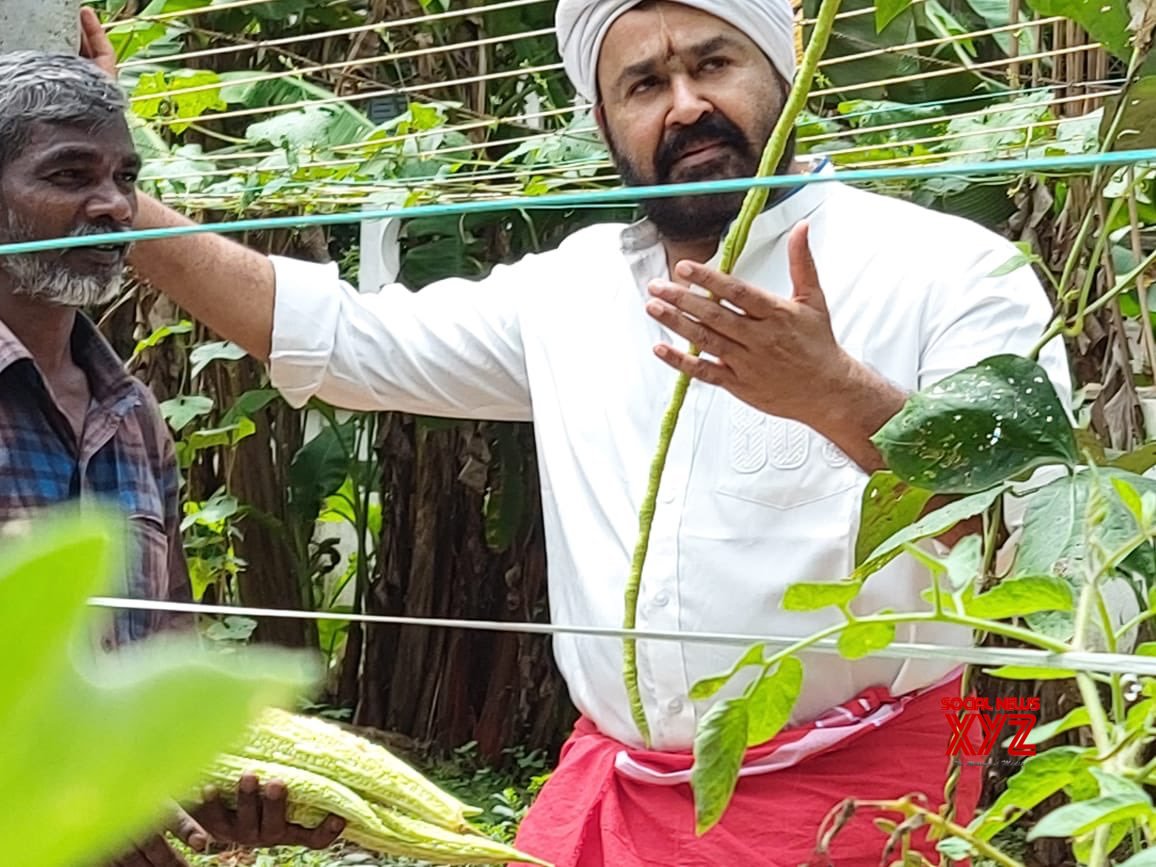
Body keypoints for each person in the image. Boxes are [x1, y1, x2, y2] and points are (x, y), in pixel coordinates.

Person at [77, 1, 1072, 864]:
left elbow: (1037, 546)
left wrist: (836, 396)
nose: (685, 106)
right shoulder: (570, 292)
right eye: (643, 85)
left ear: (783, 72)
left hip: (863, 811)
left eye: (713, 64)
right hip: (617, 798)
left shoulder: (947, 270)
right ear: (604, 124)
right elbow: (340, 340)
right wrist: (110, 188)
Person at [0, 52, 346, 866]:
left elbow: (156, 661)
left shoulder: (132, 418)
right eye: (69, 174)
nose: (113, 205)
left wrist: (205, 782)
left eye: (125, 177)